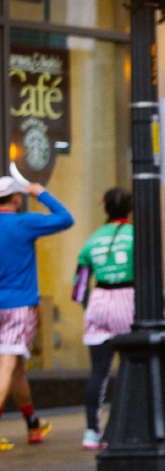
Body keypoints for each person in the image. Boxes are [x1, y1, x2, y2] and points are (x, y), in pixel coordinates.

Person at [0, 176, 74, 450]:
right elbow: (66, 218)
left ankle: (33, 424)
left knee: (17, 369)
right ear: (16, 199)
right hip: (19, 305)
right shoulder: (24, 222)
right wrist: (40, 192)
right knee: (7, 366)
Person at [76, 188, 134, 450]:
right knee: (133, 366)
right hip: (128, 300)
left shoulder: (92, 240)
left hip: (98, 302)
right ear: (130, 209)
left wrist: (90, 307)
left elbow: (79, 289)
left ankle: (91, 431)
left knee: (98, 372)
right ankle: (122, 427)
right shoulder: (135, 236)